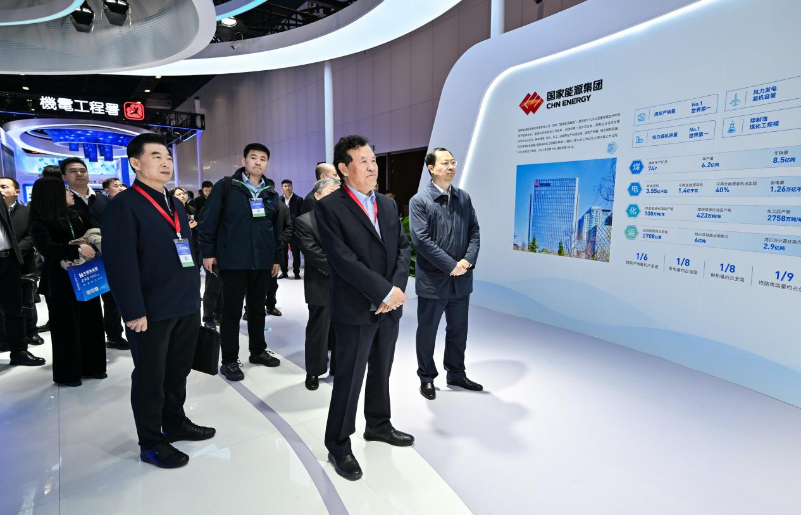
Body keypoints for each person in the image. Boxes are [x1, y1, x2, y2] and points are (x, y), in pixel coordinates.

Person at [102, 133, 215, 469]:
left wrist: (195, 298)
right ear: (135, 163)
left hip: (184, 302)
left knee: (178, 369)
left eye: (167, 157)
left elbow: (185, 251)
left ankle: (175, 422)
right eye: (156, 156)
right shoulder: (123, 205)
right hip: (150, 309)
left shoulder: (175, 203)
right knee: (151, 376)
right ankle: (151, 441)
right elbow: (120, 263)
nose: (165, 163)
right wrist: (133, 310)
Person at [315, 135, 413, 481]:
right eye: (364, 162)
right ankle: (338, 444)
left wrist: (395, 290)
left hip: (389, 306)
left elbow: (403, 248)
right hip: (356, 307)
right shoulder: (330, 207)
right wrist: (383, 291)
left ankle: (379, 424)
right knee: (349, 377)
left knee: (381, 369)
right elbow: (343, 260)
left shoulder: (387, 204)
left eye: (373, 160)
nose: (372, 167)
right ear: (344, 168)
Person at [198, 143, 283, 381]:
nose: (258, 162)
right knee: (231, 312)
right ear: (244, 161)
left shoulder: (270, 193)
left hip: (262, 262)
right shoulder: (227, 187)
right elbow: (208, 222)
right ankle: (229, 360)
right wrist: (208, 252)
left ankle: (257, 350)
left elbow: (275, 230)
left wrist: (276, 258)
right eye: (253, 157)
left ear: (267, 163)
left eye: (263, 159)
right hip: (233, 260)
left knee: (257, 309)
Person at [409, 148, 482, 400]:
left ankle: (456, 373)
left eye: (452, 162)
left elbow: (474, 232)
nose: (451, 167)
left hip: (462, 280)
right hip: (433, 281)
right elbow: (421, 240)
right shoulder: (420, 201)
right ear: (431, 168)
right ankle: (426, 377)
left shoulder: (463, 197)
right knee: (427, 331)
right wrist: (452, 265)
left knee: (458, 330)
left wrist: (467, 261)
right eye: (444, 163)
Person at [30, 177, 105, 384]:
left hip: (85, 275)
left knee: (92, 321)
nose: (70, 193)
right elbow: (45, 247)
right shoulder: (39, 221)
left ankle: (94, 366)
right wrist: (76, 249)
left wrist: (88, 242)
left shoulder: (75, 215)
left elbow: (91, 235)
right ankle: (69, 374)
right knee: (65, 327)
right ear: (53, 195)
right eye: (65, 190)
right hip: (60, 279)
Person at [61, 157, 127, 350]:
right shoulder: (63, 202)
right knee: (86, 302)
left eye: (83, 170)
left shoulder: (104, 200)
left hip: (108, 256)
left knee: (113, 299)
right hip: (79, 259)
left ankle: (114, 335)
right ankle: (89, 340)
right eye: (73, 171)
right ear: (64, 176)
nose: (79, 174)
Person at [295, 178, 339, 390]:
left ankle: (339, 367)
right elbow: (313, 253)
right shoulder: (305, 221)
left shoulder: (347, 218)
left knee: (343, 328)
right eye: (331, 192)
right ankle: (314, 371)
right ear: (317, 195)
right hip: (321, 282)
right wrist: (343, 268)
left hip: (346, 285)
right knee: (318, 329)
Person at [0, 180, 45, 365]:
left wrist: (16, 254)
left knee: (16, 307)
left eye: (4, 186)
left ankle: (19, 350)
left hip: (10, 260)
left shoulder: (23, 210)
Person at [279, 179, 303, 279]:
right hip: (283, 230)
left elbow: (301, 215)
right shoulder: (279, 200)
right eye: (285, 186)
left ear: (292, 187)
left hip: (295, 230)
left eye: (289, 186)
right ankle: (284, 272)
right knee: (283, 253)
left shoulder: (299, 200)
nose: (287, 188)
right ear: (282, 188)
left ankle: (296, 272)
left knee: (296, 253)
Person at [170, 187, 200, 267]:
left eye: (183, 194)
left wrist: (196, 225)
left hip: (193, 243)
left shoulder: (191, 210)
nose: (182, 196)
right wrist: (186, 227)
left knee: (195, 267)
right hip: (179, 245)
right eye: (179, 194)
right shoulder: (171, 212)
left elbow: (199, 225)